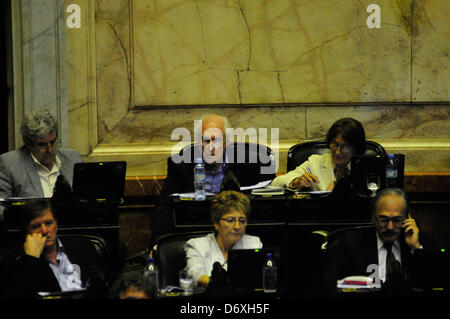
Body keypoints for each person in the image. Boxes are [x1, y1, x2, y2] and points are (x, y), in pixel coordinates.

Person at [150, 114, 275, 247]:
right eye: (206, 140)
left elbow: (268, 207)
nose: (210, 147)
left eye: (216, 141)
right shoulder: (181, 165)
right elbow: (164, 208)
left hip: (240, 235)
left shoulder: (253, 164)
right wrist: (158, 245)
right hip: (195, 234)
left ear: (227, 141)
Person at [322, 188, 435, 294]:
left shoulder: (423, 241)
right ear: (373, 218)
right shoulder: (350, 243)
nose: (390, 227)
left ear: (407, 218)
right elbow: (329, 287)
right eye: (383, 219)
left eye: (397, 220)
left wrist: (415, 249)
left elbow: (433, 284)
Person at [0, 199, 108, 298]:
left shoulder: (82, 247)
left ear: (56, 224)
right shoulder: (15, 259)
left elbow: (102, 289)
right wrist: (31, 258)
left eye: (48, 223)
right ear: (26, 233)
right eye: (36, 226)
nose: (44, 230)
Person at [0, 109, 83, 218]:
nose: (50, 149)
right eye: (42, 145)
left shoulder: (73, 158)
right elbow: (1, 209)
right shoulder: (9, 163)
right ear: (29, 144)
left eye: (53, 142)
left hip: (75, 227)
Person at [184, 190, 262, 288]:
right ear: (216, 223)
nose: (237, 226)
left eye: (242, 221)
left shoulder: (253, 244)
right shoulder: (197, 245)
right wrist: (218, 285)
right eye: (230, 220)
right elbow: (196, 274)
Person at [271, 117, 366, 192]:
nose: (337, 152)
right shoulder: (315, 162)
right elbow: (276, 182)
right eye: (334, 144)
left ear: (355, 148)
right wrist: (296, 182)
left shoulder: (366, 166)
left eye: (345, 147)